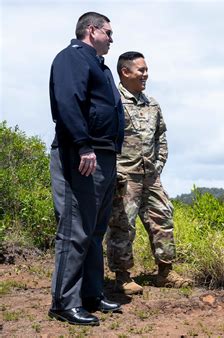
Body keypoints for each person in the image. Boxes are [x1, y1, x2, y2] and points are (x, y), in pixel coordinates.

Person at [48, 12, 124, 326]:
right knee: (74, 230)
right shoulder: (72, 58)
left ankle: (91, 293)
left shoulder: (99, 66)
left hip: (103, 156)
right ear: (91, 31)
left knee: (94, 230)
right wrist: (83, 144)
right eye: (108, 32)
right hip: (80, 154)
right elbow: (68, 101)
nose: (111, 38)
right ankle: (64, 303)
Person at [106, 51, 191, 295]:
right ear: (125, 72)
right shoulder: (112, 102)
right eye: (141, 70)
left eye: (146, 70)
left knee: (162, 218)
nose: (146, 74)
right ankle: (122, 277)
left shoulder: (152, 104)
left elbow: (160, 136)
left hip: (151, 176)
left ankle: (165, 272)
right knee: (123, 226)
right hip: (125, 177)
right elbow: (105, 138)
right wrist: (115, 170)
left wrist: (159, 162)